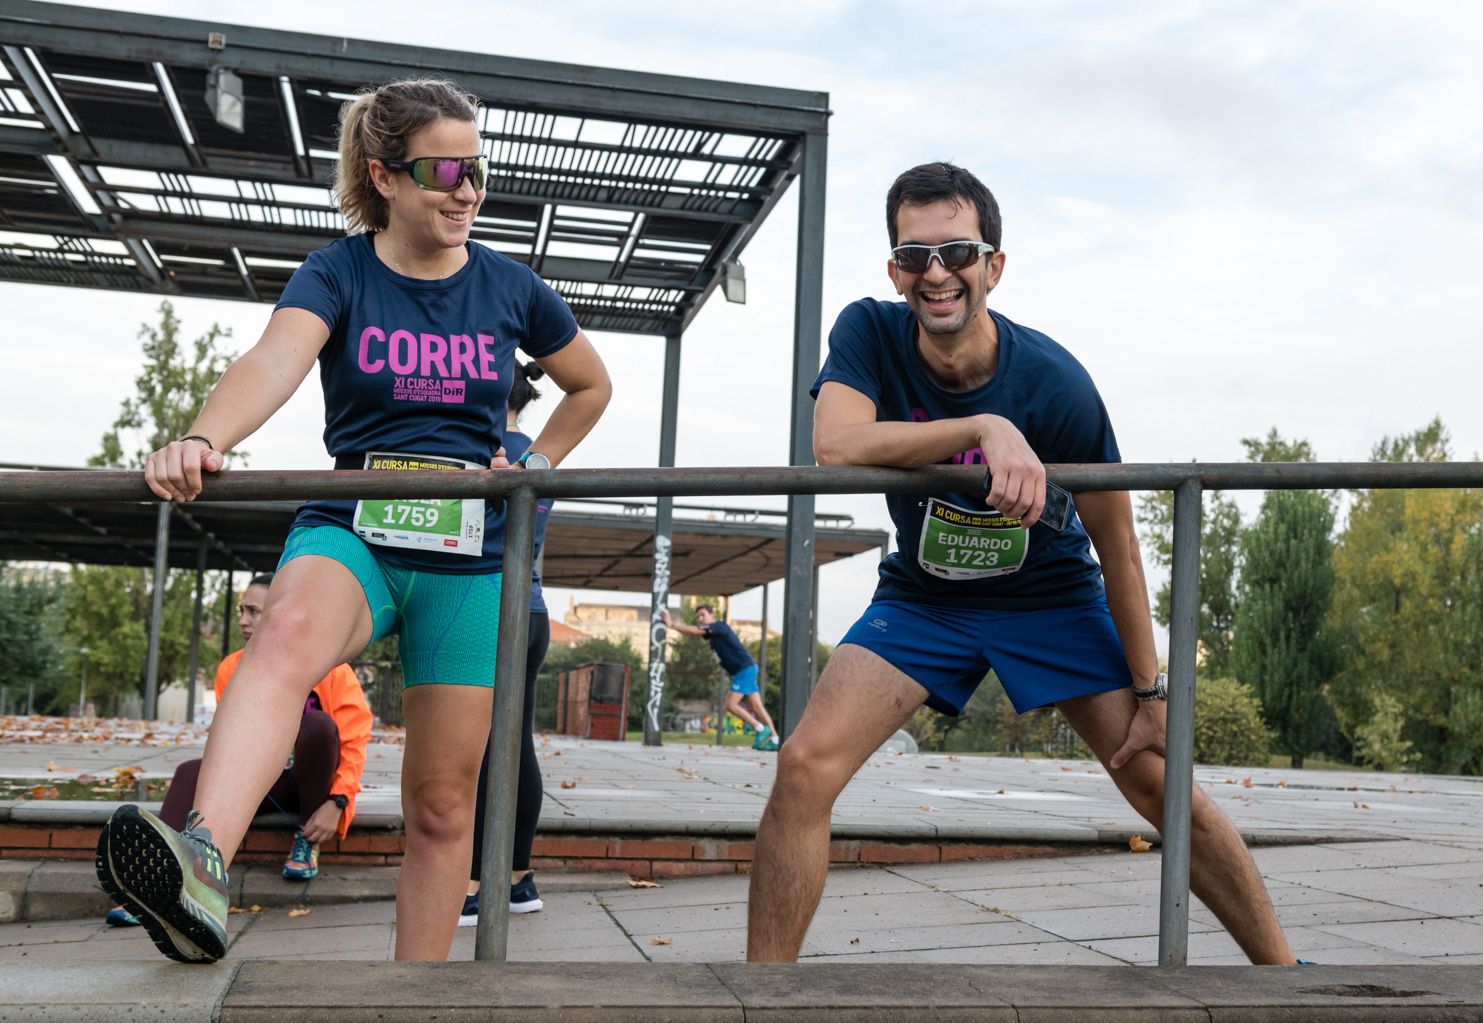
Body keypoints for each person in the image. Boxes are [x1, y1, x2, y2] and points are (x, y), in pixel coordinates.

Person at [95, 77, 612, 964]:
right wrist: (201, 434)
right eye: (444, 169)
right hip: (357, 523)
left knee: (445, 804)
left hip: (473, 553)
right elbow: (274, 358)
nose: (466, 189)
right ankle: (201, 861)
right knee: (284, 632)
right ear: (384, 175)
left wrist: (538, 458)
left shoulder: (512, 285)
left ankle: (415, 994)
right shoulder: (337, 269)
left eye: (477, 169)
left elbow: (590, 383)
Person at [745, 162, 1296, 965]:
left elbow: (1118, 542)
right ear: (894, 269)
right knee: (801, 765)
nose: (935, 273)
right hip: (927, 600)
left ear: (992, 266)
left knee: (1158, 782)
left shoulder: (1056, 383)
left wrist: (1151, 690)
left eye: (957, 251)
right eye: (914, 256)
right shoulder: (867, 330)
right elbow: (836, 443)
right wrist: (981, 427)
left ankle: (1284, 975)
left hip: (1048, 597)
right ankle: (762, 996)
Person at [105, 573, 372, 927]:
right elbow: (229, 742)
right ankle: (160, 881)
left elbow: (353, 741)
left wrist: (337, 803)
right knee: (190, 770)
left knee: (319, 726)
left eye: (253, 611)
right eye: (242, 611)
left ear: (281, 613)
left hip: (308, 786)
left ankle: (305, 841)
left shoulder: (332, 667)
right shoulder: (232, 667)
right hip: (259, 782)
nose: (243, 620)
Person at [459, 358, 551, 926]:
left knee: (484, 747)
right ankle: (517, 878)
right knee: (516, 743)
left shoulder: (485, 451)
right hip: (534, 608)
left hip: (491, 607)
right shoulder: (540, 450)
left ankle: (474, 883)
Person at [663, 605, 778, 751]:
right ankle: (775, 739)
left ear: (712, 614)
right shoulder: (713, 634)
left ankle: (760, 729)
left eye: (703, 615)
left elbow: (693, 631)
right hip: (746, 669)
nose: (700, 619)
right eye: (698, 616)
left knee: (730, 706)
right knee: (756, 706)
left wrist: (672, 625)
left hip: (744, 669)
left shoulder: (718, 626)